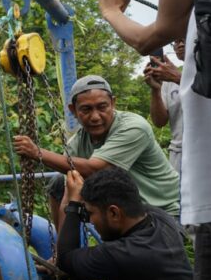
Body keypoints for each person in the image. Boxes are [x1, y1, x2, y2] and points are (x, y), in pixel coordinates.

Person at [97, 0, 211, 280]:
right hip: (184, 157)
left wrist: (110, 10)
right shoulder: (177, 79)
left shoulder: (188, 71)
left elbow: (150, 36)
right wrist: (156, 89)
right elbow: (161, 119)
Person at [44, 167, 200, 280]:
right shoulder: (160, 219)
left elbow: (65, 259)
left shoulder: (127, 253)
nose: (90, 220)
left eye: (91, 213)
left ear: (114, 213)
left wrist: (73, 204)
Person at [13, 75, 180, 227]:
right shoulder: (78, 142)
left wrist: (37, 153)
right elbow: (68, 196)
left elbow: (97, 168)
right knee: (59, 184)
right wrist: (61, 252)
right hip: (121, 212)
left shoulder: (134, 127)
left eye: (102, 107)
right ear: (73, 111)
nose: (95, 117)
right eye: (86, 109)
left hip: (162, 213)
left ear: (113, 103)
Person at [143, 40, 184, 171]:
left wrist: (178, 78)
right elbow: (159, 122)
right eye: (177, 42)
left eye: (184, 39)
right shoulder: (168, 78)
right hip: (179, 154)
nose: (180, 45)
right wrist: (155, 90)